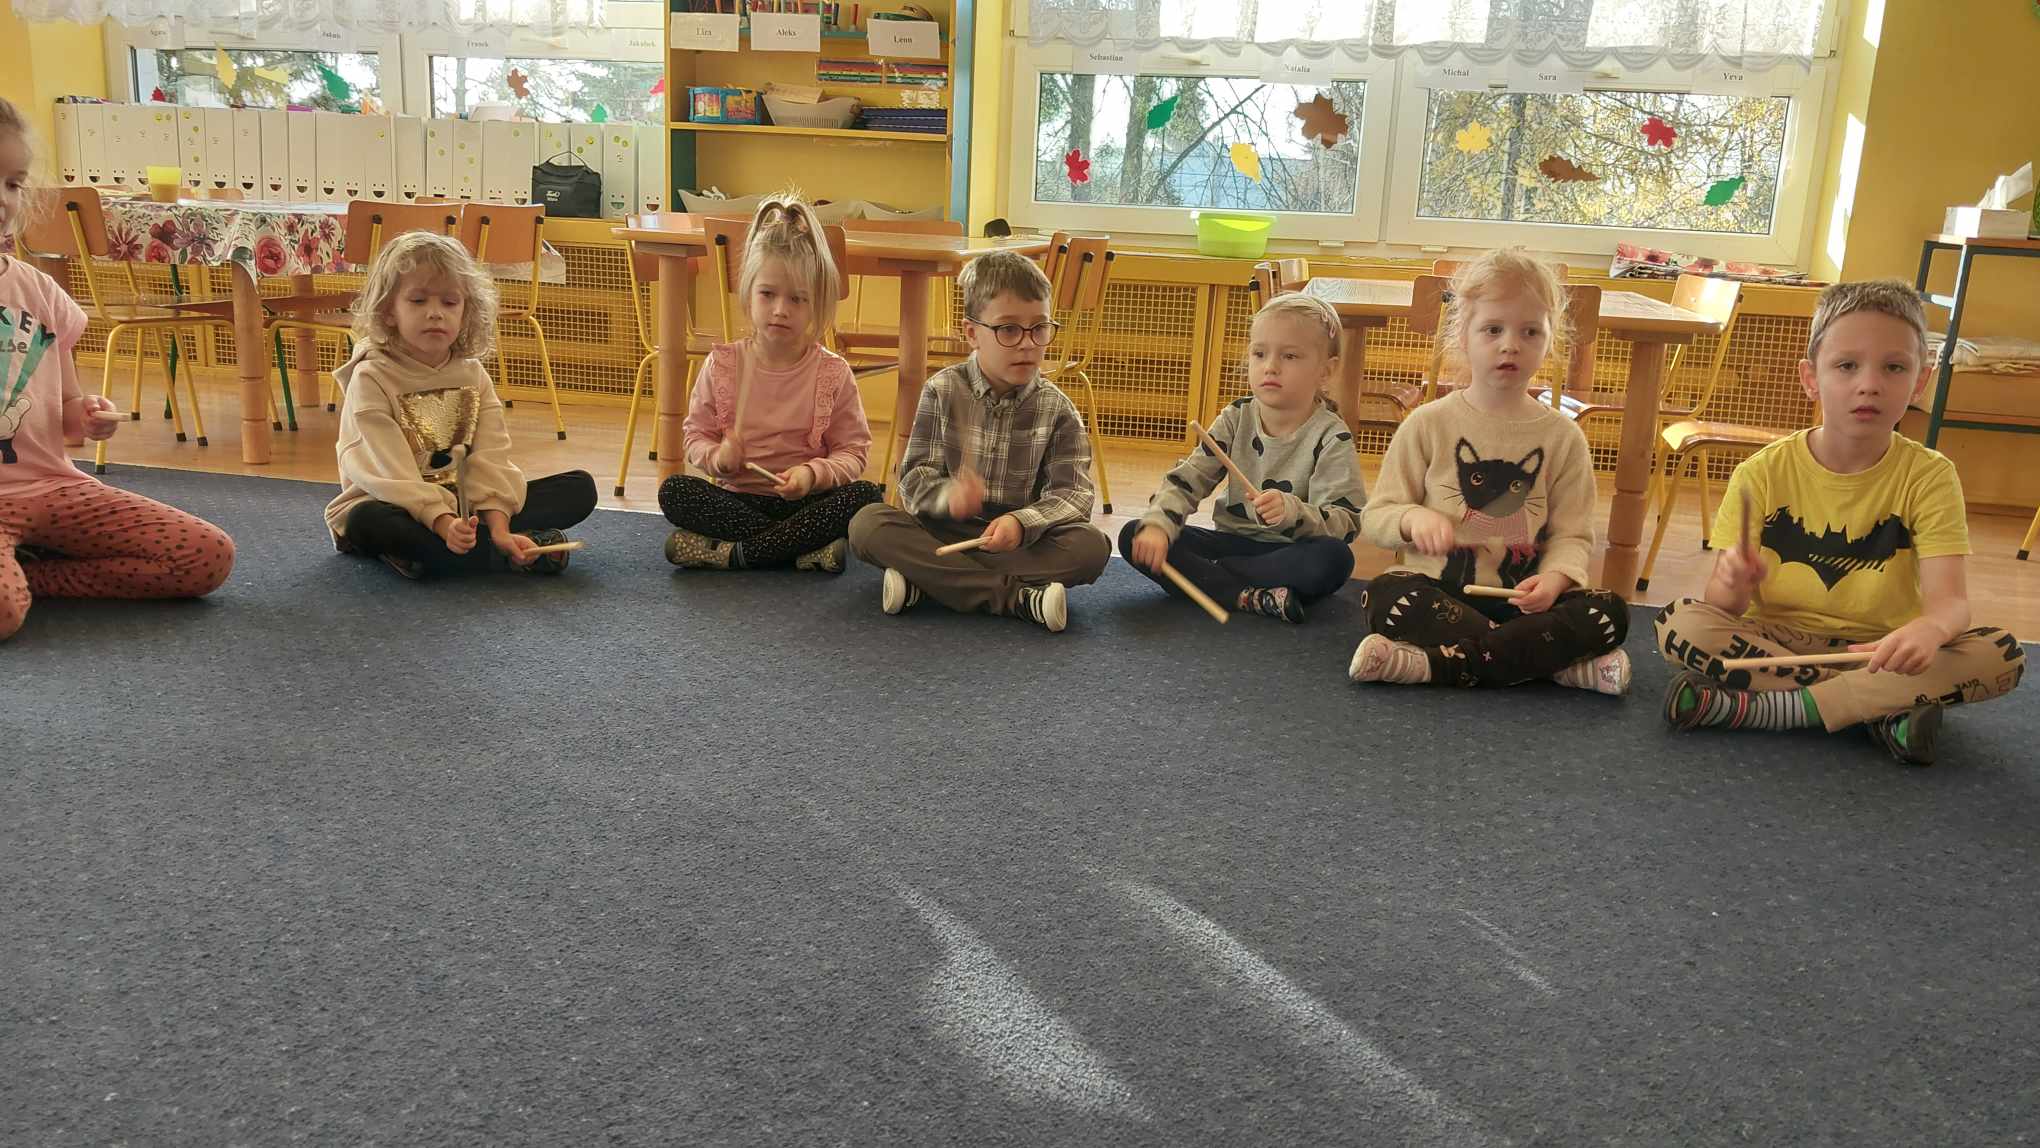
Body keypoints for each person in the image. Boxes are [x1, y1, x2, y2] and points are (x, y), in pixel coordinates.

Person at [1655, 279, 2025, 764]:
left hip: (1882, 650)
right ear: (1811, 378)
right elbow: (1723, 608)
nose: (1869, 384)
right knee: (1679, 623)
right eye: (1847, 366)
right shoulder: (1760, 473)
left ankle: (1770, 708)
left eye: (1894, 367)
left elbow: (1950, 604)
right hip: (1776, 640)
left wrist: (1931, 630)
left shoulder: (1931, 477)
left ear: (1920, 381)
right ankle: (1879, 709)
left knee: (2001, 653)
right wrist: (1730, 581)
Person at [0, 94, 233, 639]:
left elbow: (67, 411)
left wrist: (88, 414)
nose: (4, 200)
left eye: (12, 183)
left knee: (206, 556)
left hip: (50, 487)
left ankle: (33, 574)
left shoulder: (39, 291)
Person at [1348, 247, 1630, 694]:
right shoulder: (1427, 423)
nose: (1510, 344)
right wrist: (1411, 518)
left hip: (1528, 605)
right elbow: (1376, 517)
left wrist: (1555, 579)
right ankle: (1548, 665)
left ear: (1550, 341)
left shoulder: (1563, 437)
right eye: (1493, 329)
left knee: (1609, 611)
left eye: (1530, 331)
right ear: (1464, 336)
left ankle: (1433, 665)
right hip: (1441, 598)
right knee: (1385, 595)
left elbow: (1572, 536)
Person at [847, 251, 1109, 633]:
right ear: (971, 333)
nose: (1028, 344)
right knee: (867, 524)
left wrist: (1021, 522)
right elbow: (914, 480)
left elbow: (1074, 495)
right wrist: (948, 497)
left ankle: (931, 584)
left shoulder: (1058, 409)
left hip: (1019, 542)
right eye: (1008, 329)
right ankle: (1018, 599)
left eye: (1039, 328)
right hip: (946, 531)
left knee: (1091, 547)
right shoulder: (941, 390)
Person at [324, 231, 595, 579]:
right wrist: (442, 522)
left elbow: (491, 456)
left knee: (579, 488)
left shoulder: (473, 374)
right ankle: (501, 552)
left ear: (466, 312)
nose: (435, 313)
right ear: (389, 311)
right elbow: (388, 472)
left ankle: (473, 549)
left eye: (450, 303)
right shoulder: (371, 377)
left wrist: (498, 524)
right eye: (418, 301)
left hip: (466, 508)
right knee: (366, 520)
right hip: (395, 503)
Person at [660, 196, 880, 572]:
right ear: (748, 294)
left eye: (797, 299)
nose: (780, 310)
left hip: (806, 503)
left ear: (817, 305)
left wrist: (812, 474)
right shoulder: (723, 365)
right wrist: (718, 458)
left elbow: (853, 453)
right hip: (739, 500)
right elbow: (696, 436)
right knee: (675, 491)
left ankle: (734, 554)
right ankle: (800, 549)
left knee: (867, 496)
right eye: (768, 294)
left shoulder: (833, 373)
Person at [1122, 292, 1361, 623]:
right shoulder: (1235, 417)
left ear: (1326, 370)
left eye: (1290, 356)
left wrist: (1292, 511)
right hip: (1230, 542)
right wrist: (1158, 526)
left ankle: (1215, 582)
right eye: (1259, 353)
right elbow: (1188, 480)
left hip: (1288, 552)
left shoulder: (1331, 435)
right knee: (1135, 533)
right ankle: (1252, 596)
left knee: (1335, 558)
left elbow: (1345, 522)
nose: (1270, 366)